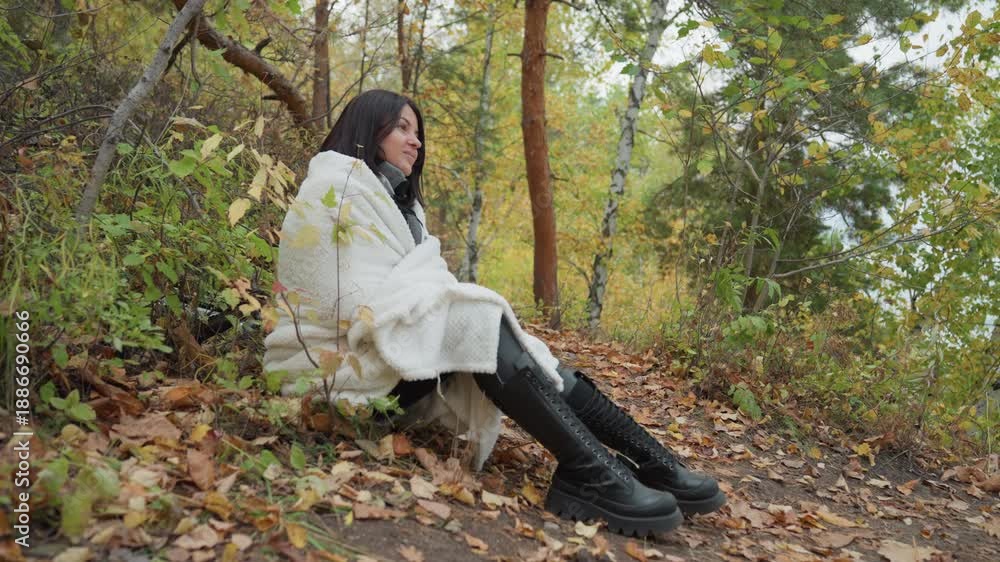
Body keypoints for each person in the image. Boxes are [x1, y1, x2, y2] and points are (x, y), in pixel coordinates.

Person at [263, 89, 725, 537]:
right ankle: (591, 472)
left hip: (391, 354)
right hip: (335, 367)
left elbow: (420, 280)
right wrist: (434, 301)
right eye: (402, 128)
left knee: (520, 342)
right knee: (474, 318)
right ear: (369, 127)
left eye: (417, 132)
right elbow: (342, 297)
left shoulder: (403, 206)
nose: (416, 141)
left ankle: (652, 463)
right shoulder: (332, 187)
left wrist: (432, 299)